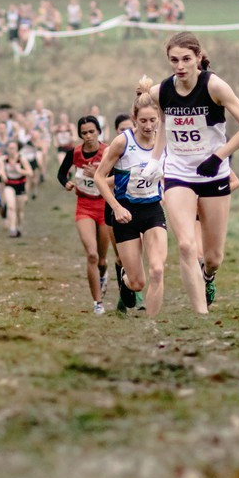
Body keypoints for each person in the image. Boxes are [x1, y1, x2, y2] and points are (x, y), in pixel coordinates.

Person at [150, 32, 239, 313]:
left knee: (213, 258)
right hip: (178, 174)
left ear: (198, 57)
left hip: (213, 175)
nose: (180, 65)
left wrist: (218, 156)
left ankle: (208, 277)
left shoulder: (215, 87)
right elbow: (160, 122)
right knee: (185, 245)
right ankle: (201, 314)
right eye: (174, 60)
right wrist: (154, 160)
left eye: (186, 59)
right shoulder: (160, 92)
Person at [94, 88, 168, 316]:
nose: (148, 125)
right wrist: (116, 207)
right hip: (126, 213)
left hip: (153, 211)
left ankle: (152, 325)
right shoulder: (122, 142)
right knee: (138, 283)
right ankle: (126, 281)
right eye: (143, 120)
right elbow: (99, 177)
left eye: (153, 120)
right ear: (134, 119)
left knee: (157, 269)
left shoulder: (164, 141)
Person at [58, 116, 112, 314]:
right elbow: (61, 173)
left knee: (102, 260)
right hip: (84, 206)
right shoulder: (75, 153)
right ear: (80, 134)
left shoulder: (108, 151)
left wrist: (97, 176)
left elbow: (119, 176)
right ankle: (98, 303)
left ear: (99, 131)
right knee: (91, 254)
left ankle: (103, 274)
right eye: (84, 133)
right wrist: (67, 184)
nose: (88, 136)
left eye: (92, 132)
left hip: (104, 205)